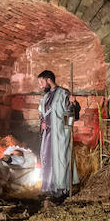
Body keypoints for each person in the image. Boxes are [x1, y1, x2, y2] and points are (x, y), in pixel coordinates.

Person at [37, 70, 79, 201]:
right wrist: (42, 123)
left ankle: (61, 190)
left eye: (42, 82)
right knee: (47, 160)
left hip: (60, 133)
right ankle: (50, 188)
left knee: (60, 160)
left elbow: (70, 114)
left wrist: (73, 105)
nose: (41, 86)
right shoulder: (45, 97)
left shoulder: (63, 94)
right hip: (48, 135)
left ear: (49, 80)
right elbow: (42, 113)